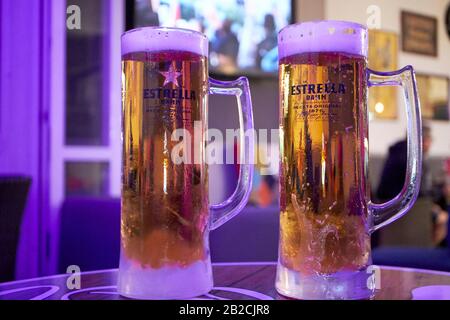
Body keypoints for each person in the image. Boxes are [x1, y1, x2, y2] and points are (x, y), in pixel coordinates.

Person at [376, 123, 448, 246]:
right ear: (423, 140)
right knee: (444, 218)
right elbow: (421, 192)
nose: (430, 144)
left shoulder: (397, 152)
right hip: (411, 211)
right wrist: (441, 191)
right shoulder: (414, 157)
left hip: (391, 210)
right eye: (430, 140)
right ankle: (431, 254)